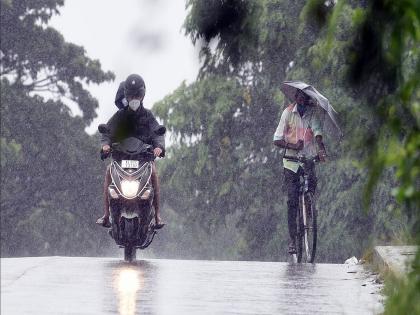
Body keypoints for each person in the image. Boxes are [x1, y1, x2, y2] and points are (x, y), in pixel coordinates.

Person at [96, 74, 165, 229]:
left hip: (144, 159)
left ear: (142, 95)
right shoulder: (119, 116)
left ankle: (158, 215)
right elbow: (107, 132)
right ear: (126, 95)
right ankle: (106, 215)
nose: (134, 98)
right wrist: (106, 145)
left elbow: (157, 133)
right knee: (108, 171)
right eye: (131, 95)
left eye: (137, 95)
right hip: (120, 158)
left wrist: (159, 147)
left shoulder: (148, 115)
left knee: (154, 172)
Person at [273, 89, 327, 254]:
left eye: (306, 98)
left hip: (307, 159)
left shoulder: (312, 114)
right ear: (296, 98)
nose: (303, 100)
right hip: (290, 162)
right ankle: (292, 240)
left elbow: (317, 132)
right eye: (300, 97)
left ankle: (309, 211)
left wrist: (322, 150)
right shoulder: (288, 113)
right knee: (292, 200)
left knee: (312, 184)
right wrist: (292, 146)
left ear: (308, 100)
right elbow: (277, 139)